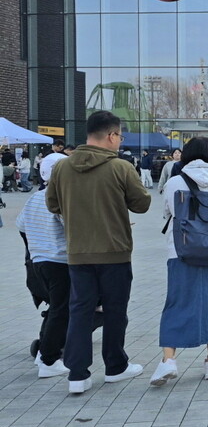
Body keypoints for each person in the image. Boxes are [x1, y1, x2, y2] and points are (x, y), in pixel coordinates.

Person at [47, 110, 152, 394]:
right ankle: (115, 367)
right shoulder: (120, 167)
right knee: (115, 311)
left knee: (80, 311)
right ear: (111, 135)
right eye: (119, 135)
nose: (120, 140)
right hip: (114, 251)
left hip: (78, 251)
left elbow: (52, 205)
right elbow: (142, 204)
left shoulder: (62, 167)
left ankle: (77, 375)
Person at [152, 137, 208, 387]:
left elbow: (168, 211)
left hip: (180, 253)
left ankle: (169, 360)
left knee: (177, 303)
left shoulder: (176, 182)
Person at [16, 152, 71, 379]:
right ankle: (48, 359)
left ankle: (44, 353)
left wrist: (35, 248)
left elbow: (21, 226)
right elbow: (71, 229)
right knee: (62, 310)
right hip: (59, 261)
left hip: (39, 262)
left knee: (57, 308)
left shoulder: (36, 197)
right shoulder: (61, 196)